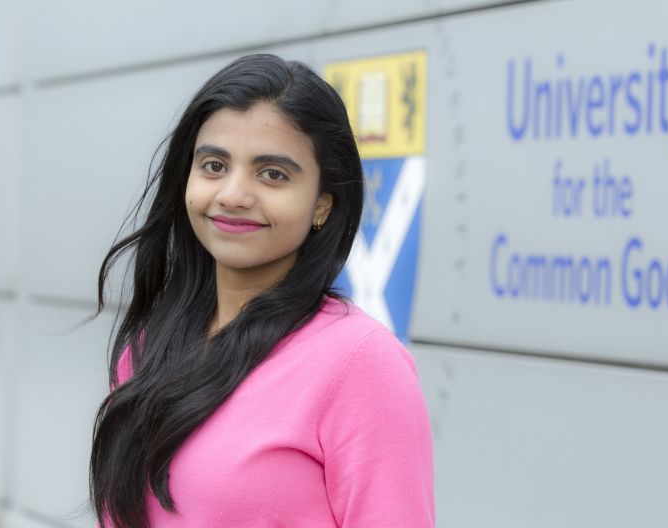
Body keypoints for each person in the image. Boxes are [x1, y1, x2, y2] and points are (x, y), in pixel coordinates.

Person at [89, 53, 434, 527]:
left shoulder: (361, 364)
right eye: (213, 165)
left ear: (322, 205)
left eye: (272, 173)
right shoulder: (152, 344)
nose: (232, 194)